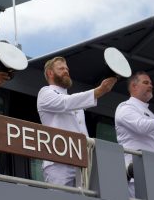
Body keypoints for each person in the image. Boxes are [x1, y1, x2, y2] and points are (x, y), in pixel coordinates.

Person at [37, 56, 117, 187]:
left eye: (67, 69)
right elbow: (65, 103)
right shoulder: (45, 93)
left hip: (81, 162)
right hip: (58, 161)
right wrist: (99, 91)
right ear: (50, 73)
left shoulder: (72, 99)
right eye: (61, 68)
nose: (66, 71)